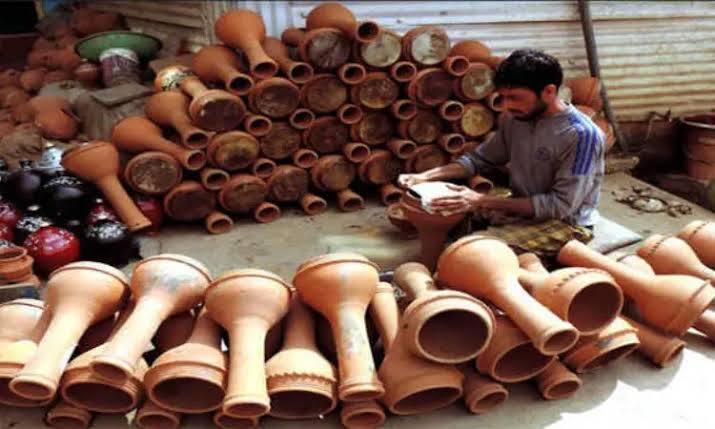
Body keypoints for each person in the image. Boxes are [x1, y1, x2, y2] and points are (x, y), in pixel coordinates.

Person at [398, 49, 605, 258]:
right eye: (503, 97)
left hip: (566, 224)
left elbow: (560, 206)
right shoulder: (516, 119)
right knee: (440, 204)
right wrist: (423, 177)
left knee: (473, 254)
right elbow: (478, 160)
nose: (506, 105)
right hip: (523, 203)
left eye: (515, 97)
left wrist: (479, 200)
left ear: (549, 91)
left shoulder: (582, 135)